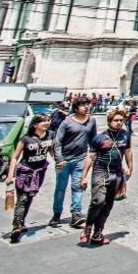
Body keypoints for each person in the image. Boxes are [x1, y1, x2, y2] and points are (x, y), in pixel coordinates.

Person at [79, 109, 133, 246]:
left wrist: (130, 167)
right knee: (98, 201)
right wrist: (83, 177)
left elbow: (128, 150)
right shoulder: (100, 137)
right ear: (110, 121)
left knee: (108, 204)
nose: (119, 123)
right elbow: (90, 157)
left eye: (121, 120)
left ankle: (98, 234)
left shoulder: (126, 135)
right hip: (100, 171)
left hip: (117, 173)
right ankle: (87, 228)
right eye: (116, 120)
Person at [6, 114, 55, 243]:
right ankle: (16, 226)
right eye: (43, 121)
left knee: (30, 197)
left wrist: (58, 160)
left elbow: (52, 151)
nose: (47, 123)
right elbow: (15, 157)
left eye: (48, 120)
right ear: (35, 124)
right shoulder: (26, 139)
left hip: (39, 172)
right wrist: (10, 175)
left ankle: (21, 222)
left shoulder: (50, 135)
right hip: (25, 172)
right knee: (23, 198)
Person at [52, 97, 97, 228]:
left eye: (87, 104)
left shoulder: (91, 121)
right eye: (83, 105)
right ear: (76, 108)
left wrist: (93, 157)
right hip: (65, 160)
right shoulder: (67, 122)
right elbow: (58, 141)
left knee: (77, 187)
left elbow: (93, 141)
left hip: (80, 159)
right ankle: (56, 213)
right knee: (60, 188)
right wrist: (59, 159)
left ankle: (76, 214)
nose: (86, 107)